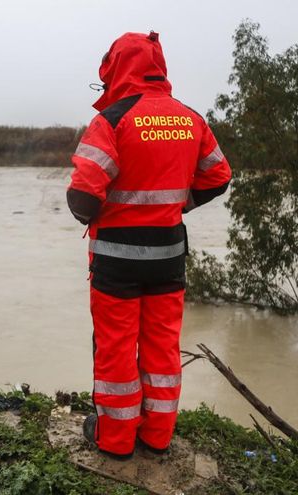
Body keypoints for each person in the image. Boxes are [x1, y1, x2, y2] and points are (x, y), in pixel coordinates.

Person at [66, 31, 231, 458]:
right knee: (162, 347)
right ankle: (157, 436)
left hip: (116, 262)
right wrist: (176, 205)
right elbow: (218, 176)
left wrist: (101, 211)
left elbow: (83, 198)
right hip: (169, 259)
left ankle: (116, 440)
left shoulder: (112, 120)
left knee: (117, 349)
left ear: (116, 68)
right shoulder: (191, 119)